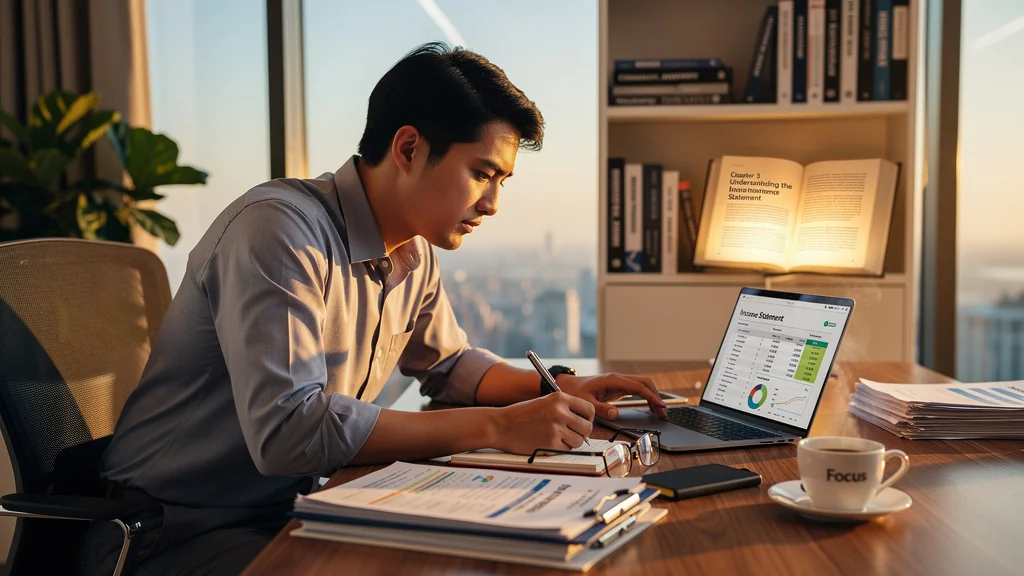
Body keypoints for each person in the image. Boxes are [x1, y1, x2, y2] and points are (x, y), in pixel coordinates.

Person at [82, 42, 667, 575]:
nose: (492, 203)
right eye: (482, 174)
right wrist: (499, 426)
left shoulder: (413, 249)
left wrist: (559, 386)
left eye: (502, 182)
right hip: (171, 533)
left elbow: (450, 366)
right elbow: (289, 430)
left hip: (299, 509)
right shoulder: (281, 233)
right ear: (408, 148)